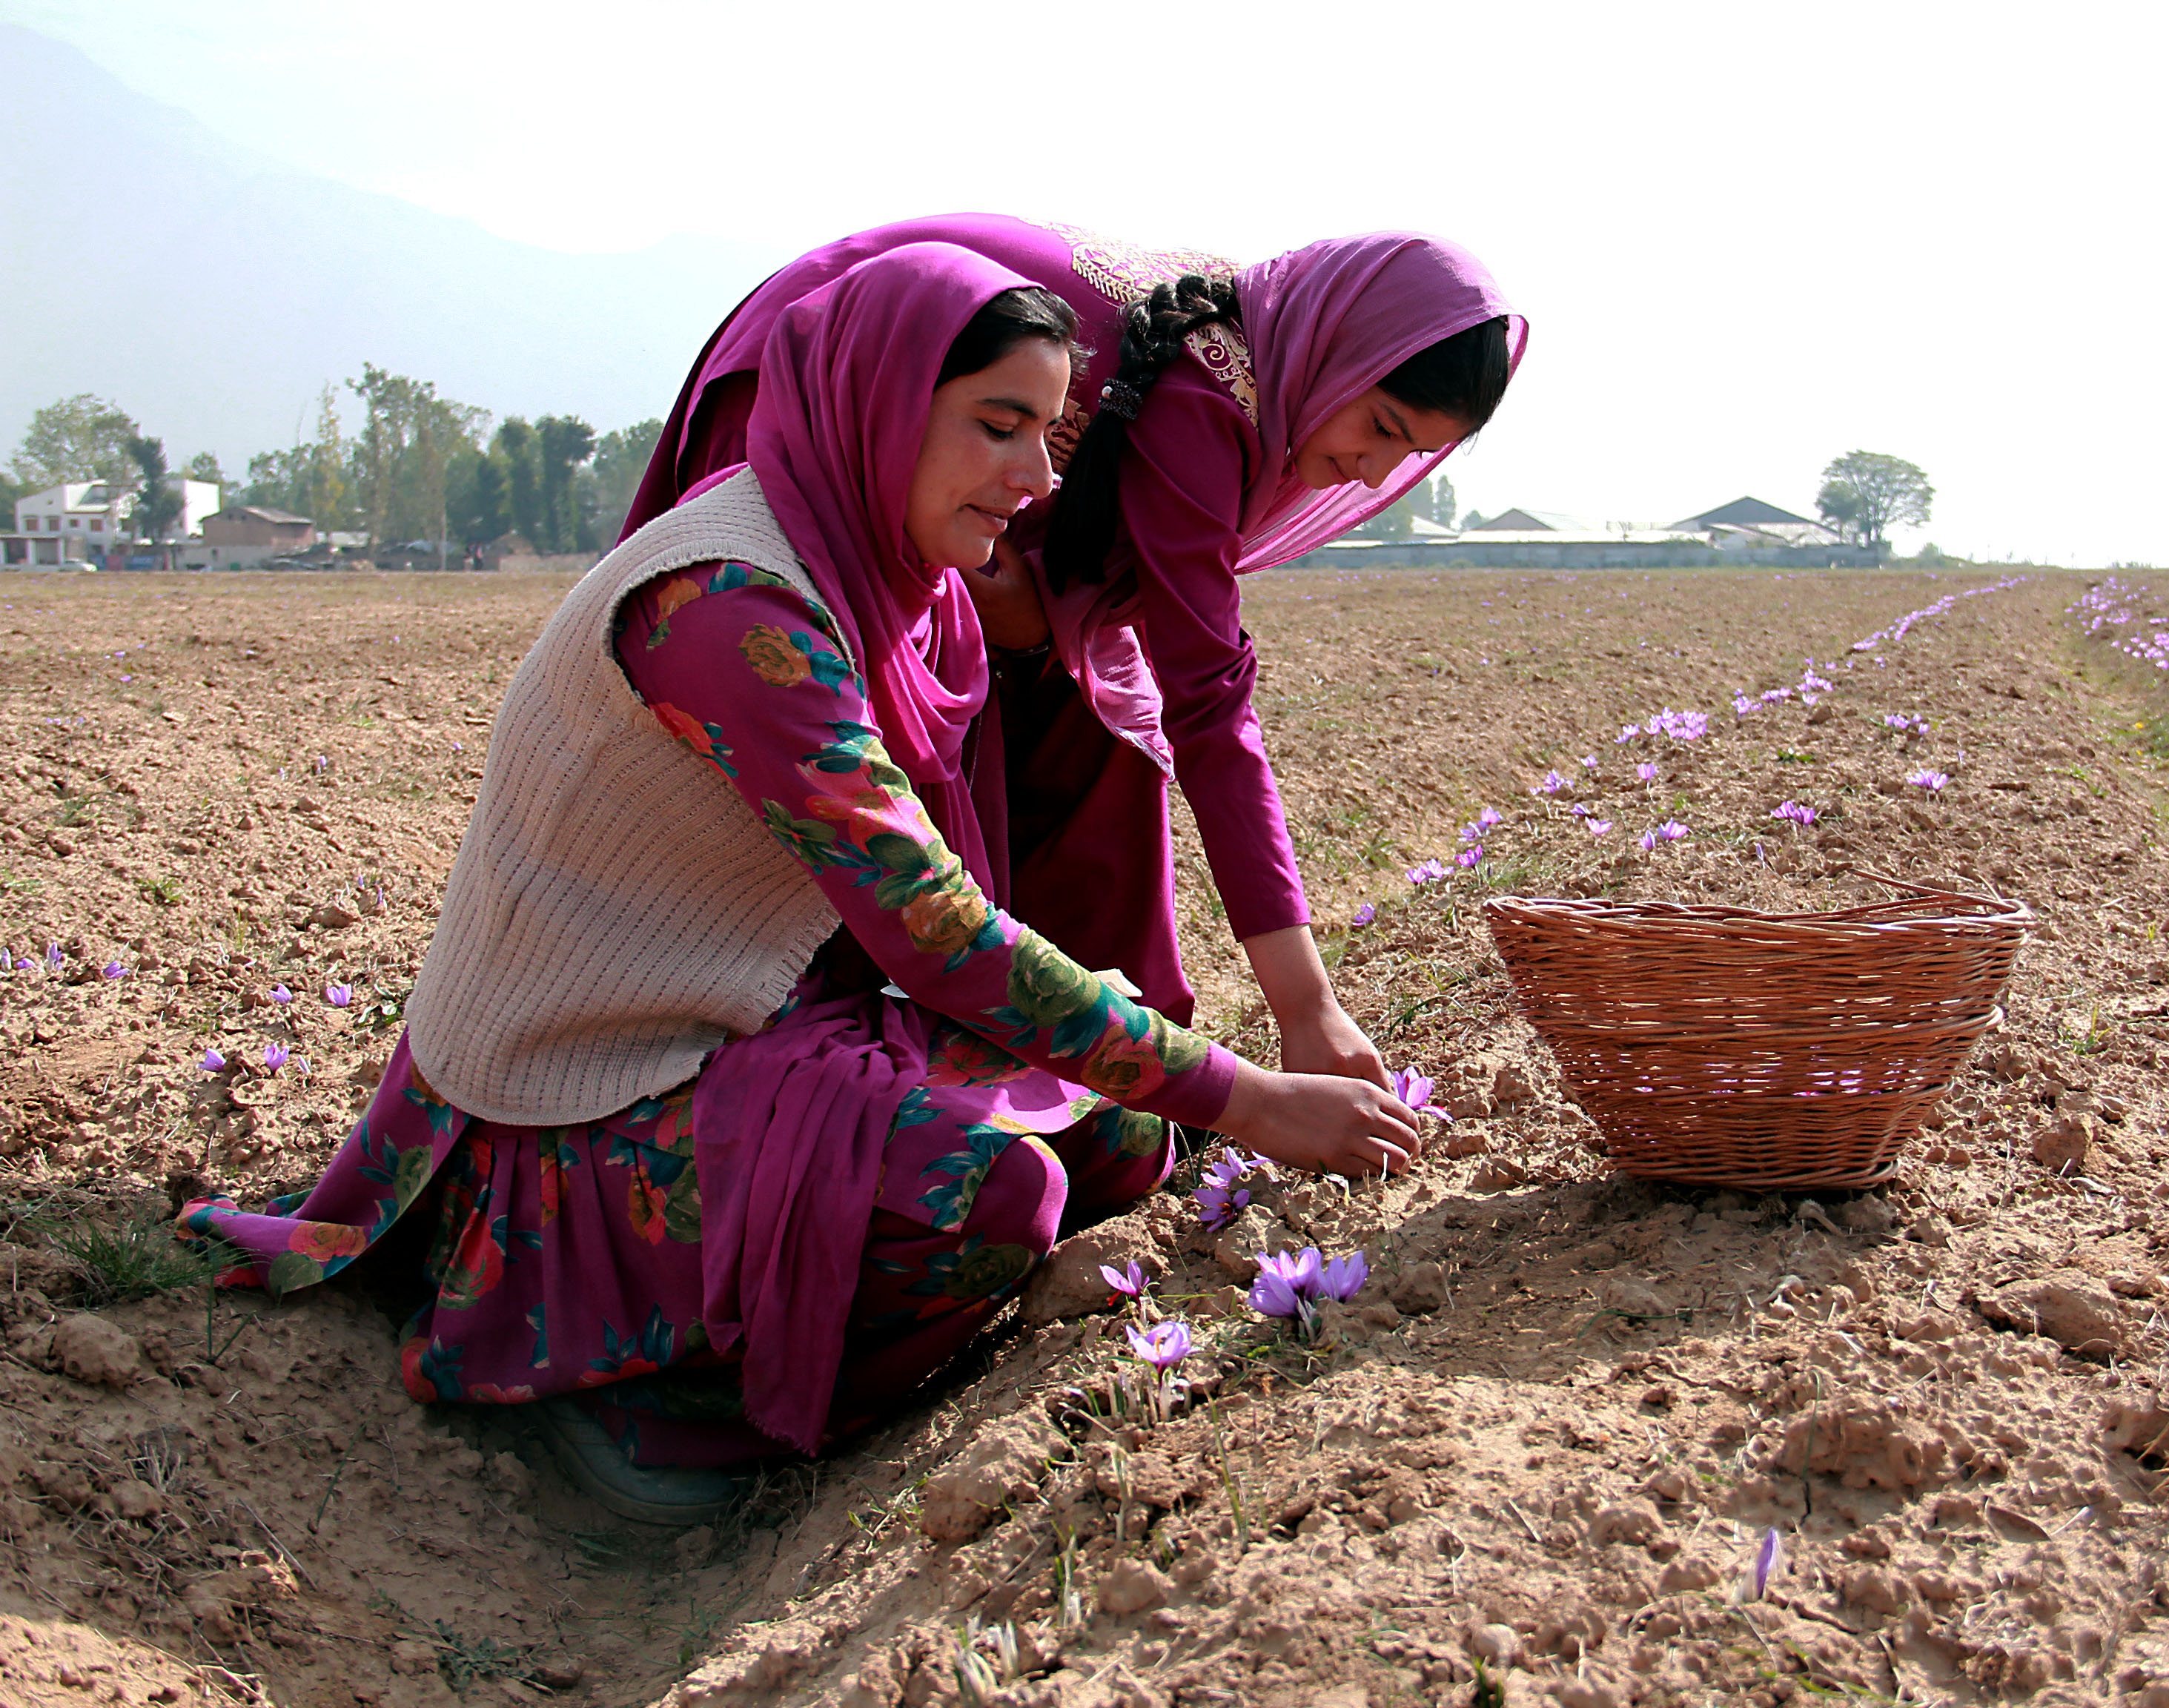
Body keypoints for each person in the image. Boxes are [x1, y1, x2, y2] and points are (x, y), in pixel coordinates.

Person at [179, 244, 1420, 1523]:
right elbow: (938, 931)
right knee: (997, 1191)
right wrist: (1250, 1091)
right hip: (580, 1084)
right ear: (880, 404)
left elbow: (949, 920)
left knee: (1118, 1127)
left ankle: (772, 1326)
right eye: (997, 427)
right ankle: (642, 1398)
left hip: (745, 1012)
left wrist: (1183, 1080)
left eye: (1049, 434)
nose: (1034, 480)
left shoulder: (897, 581)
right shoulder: (733, 606)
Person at [624, 215, 1523, 1099]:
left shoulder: (1269, 363)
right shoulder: (1208, 401)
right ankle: (802, 1040)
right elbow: (1207, 700)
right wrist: (1306, 1009)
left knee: (1088, 724)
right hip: (809, 390)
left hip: (961, 503)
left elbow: (1099, 611)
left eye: (1409, 453)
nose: (1374, 470)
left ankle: (1084, 1049)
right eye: (1382, 425)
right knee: (837, 759)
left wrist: (1041, 613)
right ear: (1342, 350)